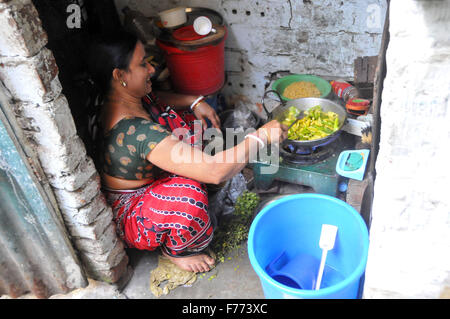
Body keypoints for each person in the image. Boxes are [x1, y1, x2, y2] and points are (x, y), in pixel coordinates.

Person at [87, 30, 288, 273]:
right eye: (142, 65)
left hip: (151, 175)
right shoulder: (133, 131)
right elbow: (214, 172)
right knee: (189, 196)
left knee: (189, 128)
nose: (151, 69)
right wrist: (262, 136)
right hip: (134, 211)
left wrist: (195, 101)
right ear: (120, 75)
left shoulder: (123, 97)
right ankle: (178, 250)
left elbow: (155, 97)